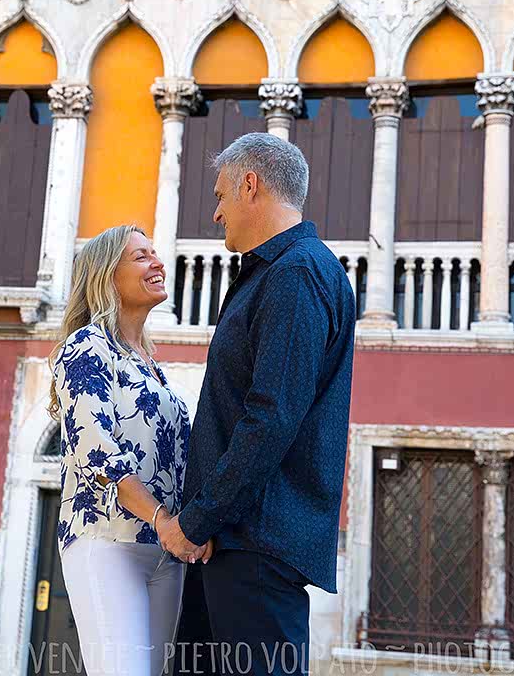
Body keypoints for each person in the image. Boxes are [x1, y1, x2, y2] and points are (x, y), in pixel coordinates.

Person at [157, 133, 356, 676]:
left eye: (221, 195)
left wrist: (196, 520)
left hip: (255, 549)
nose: (217, 212)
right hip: (236, 545)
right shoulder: (284, 273)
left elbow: (270, 418)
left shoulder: (296, 274)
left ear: (251, 186)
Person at [49, 224, 202, 676]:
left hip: (165, 553)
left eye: (155, 253)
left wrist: (192, 523)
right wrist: (163, 519)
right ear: (105, 275)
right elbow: (97, 450)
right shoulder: (86, 349)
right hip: (107, 542)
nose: (158, 262)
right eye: (141, 256)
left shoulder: (152, 366)